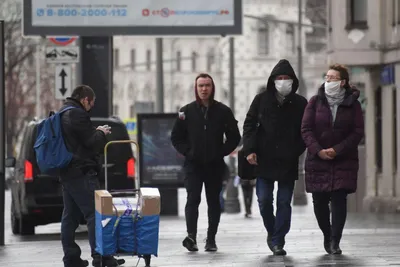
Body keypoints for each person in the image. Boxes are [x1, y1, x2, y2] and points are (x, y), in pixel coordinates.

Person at [242, 59, 308, 256]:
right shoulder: (261, 100)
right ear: (272, 80)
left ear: (293, 80)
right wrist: (250, 150)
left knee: (284, 202)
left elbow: (306, 131)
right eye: (279, 78)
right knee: (263, 200)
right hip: (264, 160)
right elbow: (249, 125)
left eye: (286, 78)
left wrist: (296, 150)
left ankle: (278, 240)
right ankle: (273, 232)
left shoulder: (300, 103)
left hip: (288, 162)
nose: (282, 81)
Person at [171, 73, 241, 252]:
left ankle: (211, 239)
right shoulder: (185, 112)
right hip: (193, 165)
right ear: (196, 88)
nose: (204, 89)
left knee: (213, 202)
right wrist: (188, 152)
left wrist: (221, 152)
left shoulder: (223, 111)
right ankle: (191, 237)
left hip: (214, 165)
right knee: (192, 199)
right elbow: (176, 137)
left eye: (207, 85)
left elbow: (235, 137)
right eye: (200, 86)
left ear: (212, 88)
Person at [301, 64, 364, 255]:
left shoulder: (353, 104)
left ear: (343, 82)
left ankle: (335, 241)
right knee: (319, 202)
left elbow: (357, 132)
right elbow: (306, 130)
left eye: (332, 78)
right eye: (326, 77)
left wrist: (337, 150)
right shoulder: (314, 102)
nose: (328, 81)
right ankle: (327, 235)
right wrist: (319, 151)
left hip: (343, 159)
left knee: (339, 199)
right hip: (317, 160)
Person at [59, 85, 125, 267]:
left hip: (67, 172)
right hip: (81, 172)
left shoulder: (63, 112)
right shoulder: (77, 114)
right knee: (96, 214)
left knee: (70, 217)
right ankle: (101, 257)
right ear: (85, 99)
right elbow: (92, 142)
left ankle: (71, 258)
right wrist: (101, 133)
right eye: (91, 103)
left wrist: (94, 131)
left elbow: (79, 140)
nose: (91, 107)